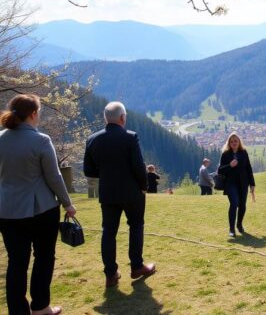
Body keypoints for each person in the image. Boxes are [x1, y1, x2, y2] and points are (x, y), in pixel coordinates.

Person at [0, 94, 76, 315]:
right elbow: (54, 177)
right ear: (33, 114)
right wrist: (67, 204)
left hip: (6, 210)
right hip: (41, 209)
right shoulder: (41, 140)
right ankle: (41, 307)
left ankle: (18, 311)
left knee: (16, 262)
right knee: (43, 257)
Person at [84, 101, 156, 288]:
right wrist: (144, 186)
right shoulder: (130, 137)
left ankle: (110, 274)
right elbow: (139, 167)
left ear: (105, 118)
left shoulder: (92, 140)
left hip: (107, 192)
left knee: (108, 232)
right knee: (136, 226)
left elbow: (89, 171)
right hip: (132, 192)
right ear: (123, 118)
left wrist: (108, 175)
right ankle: (137, 267)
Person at [217, 133, 255, 237]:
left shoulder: (243, 152)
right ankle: (231, 229)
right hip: (230, 184)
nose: (234, 143)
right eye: (232, 141)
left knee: (242, 205)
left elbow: (248, 169)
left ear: (239, 142)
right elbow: (220, 170)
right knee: (234, 204)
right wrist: (230, 165)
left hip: (243, 183)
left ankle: (239, 225)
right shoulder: (225, 154)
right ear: (229, 143)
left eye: (236, 141)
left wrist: (252, 184)